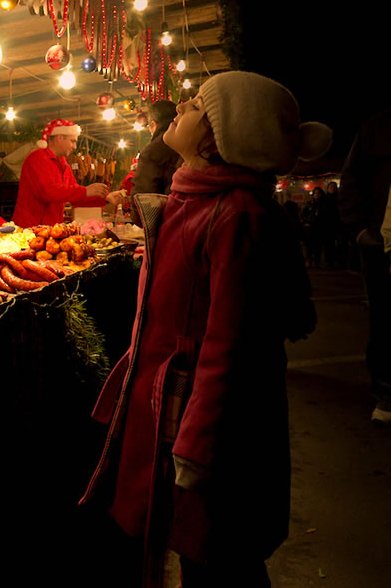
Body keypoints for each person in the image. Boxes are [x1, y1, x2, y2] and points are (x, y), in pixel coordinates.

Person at [79, 71, 331, 586]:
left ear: (217, 139)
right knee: (188, 541)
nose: (181, 108)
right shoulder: (192, 199)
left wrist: (197, 448)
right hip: (171, 397)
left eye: (196, 105)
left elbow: (232, 348)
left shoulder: (236, 215)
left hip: (208, 420)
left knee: (217, 554)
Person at [339, 108, 391, 424]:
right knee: (384, 316)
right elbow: (353, 177)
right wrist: (359, 229)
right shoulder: (377, 127)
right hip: (382, 242)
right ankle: (386, 388)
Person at [12, 118, 124, 227]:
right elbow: (47, 192)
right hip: (29, 229)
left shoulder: (64, 164)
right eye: (72, 141)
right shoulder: (37, 158)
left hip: (50, 229)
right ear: (60, 138)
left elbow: (75, 198)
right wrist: (85, 191)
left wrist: (106, 198)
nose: (75, 147)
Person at [130, 99, 180, 224]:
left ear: (153, 124)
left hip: (168, 226)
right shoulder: (190, 142)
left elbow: (142, 205)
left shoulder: (152, 151)